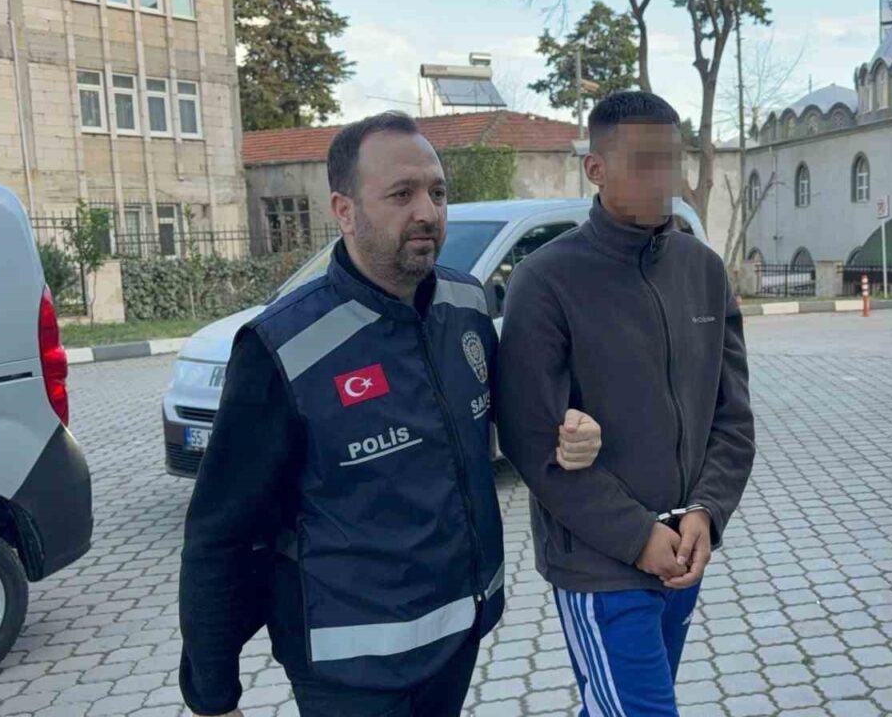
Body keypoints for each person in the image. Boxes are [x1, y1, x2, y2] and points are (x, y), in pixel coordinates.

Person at [177, 112, 605, 717]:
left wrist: (573, 430)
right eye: (402, 194)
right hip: (351, 671)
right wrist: (213, 694)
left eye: (437, 192)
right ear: (345, 210)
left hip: (458, 636)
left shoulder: (466, 305)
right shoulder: (282, 347)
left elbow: (514, 418)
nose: (427, 211)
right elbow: (222, 530)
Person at [497, 91, 757, 715]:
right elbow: (531, 442)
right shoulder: (546, 280)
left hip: (684, 553)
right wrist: (637, 536)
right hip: (600, 565)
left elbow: (732, 418)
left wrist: (707, 511)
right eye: (643, 162)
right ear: (596, 167)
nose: (663, 179)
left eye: (672, 160)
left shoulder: (703, 271)